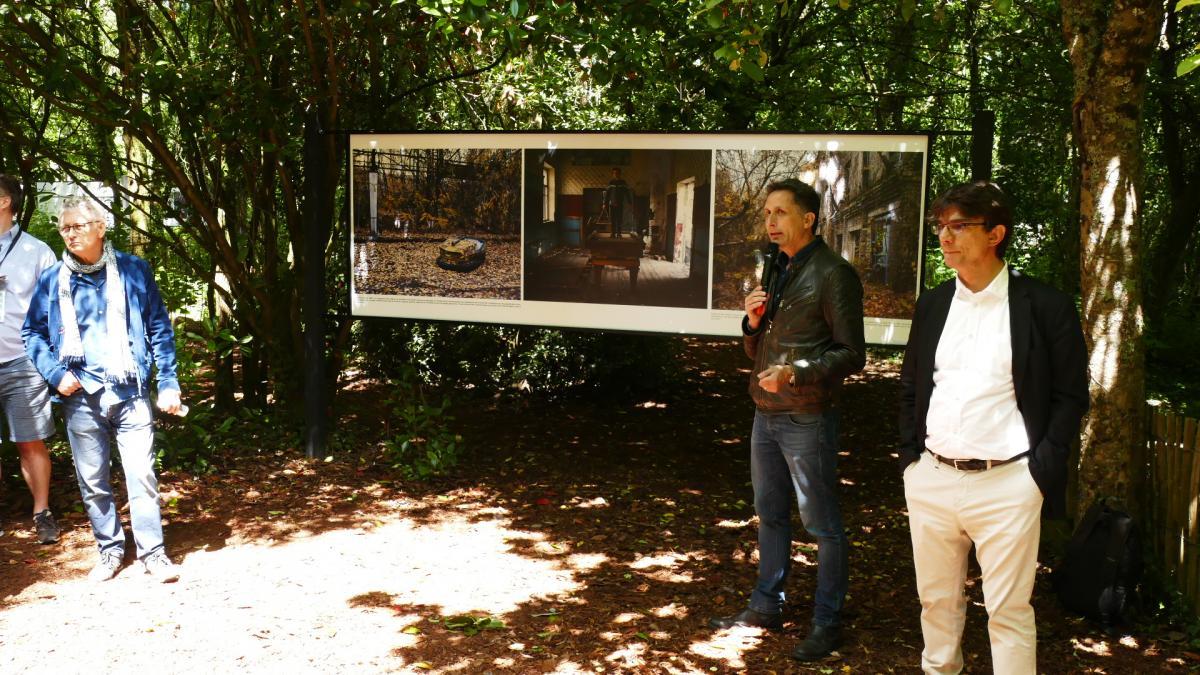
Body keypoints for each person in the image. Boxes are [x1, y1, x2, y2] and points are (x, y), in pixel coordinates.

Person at [897, 181, 1088, 673]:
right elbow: (912, 386)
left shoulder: (1045, 306)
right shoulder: (934, 304)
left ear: (996, 233)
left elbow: (1070, 396)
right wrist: (912, 461)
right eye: (941, 226)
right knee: (936, 604)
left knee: (1008, 611)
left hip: (1010, 483)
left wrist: (1039, 471)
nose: (946, 236)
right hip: (934, 477)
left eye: (960, 226)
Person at [709, 178, 865, 662]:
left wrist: (796, 374)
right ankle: (766, 606)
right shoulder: (777, 266)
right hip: (765, 412)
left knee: (821, 524)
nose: (771, 221)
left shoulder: (834, 273)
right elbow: (758, 348)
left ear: (808, 219)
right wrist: (752, 324)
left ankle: (827, 621)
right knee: (770, 514)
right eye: (767, 213)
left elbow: (852, 353)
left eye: (780, 212)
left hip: (806, 417)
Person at [23, 197, 183, 583]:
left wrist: (168, 382)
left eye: (77, 226)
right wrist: (55, 373)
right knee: (92, 480)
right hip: (79, 395)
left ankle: (153, 553)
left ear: (100, 227)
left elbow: (159, 327)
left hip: (130, 391)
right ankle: (109, 551)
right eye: (64, 228)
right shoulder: (53, 279)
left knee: (141, 474)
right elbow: (32, 333)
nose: (70, 233)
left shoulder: (132, 269)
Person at [0, 174, 60, 544]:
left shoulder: (36, 252)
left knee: (30, 441)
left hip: (22, 361)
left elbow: (55, 312)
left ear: (5, 202)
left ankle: (42, 513)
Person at [604, 167, 632, 237]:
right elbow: (607, 194)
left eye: (617, 173)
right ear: (612, 174)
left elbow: (627, 193)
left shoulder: (623, 183)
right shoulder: (611, 183)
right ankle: (613, 233)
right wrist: (604, 203)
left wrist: (630, 203)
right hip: (612, 204)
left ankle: (619, 233)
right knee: (613, 219)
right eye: (614, 173)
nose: (616, 174)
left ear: (620, 174)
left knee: (619, 219)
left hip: (620, 203)